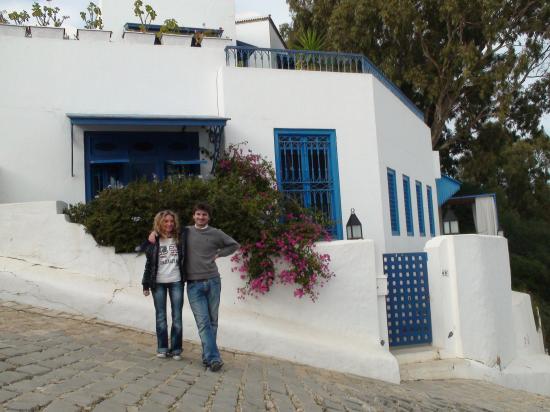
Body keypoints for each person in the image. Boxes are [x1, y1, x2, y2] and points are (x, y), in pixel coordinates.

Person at [149, 203, 239, 371]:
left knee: (213, 322)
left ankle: (208, 357)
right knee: (204, 323)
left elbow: (234, 245)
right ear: (193, 216)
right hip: (193, 285)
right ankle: (213, 358)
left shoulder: (216, 233)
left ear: (208, 217)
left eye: (204, 215)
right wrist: (153, 232)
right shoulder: (185, 232)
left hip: (213, 281)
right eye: (198, 214)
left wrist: (219, 254)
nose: (201, 217)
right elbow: (166, 230)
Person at [142, 210, 185, 360]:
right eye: (165, 221)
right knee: (161, 317)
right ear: (160, 223)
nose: (169, 224)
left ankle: (176, 349)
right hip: (158, 283)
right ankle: (162, 348)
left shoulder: (180, 237)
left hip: (176, 281)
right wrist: (145, 284)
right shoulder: (154, 240)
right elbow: (149, 263)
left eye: (171, 221)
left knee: (177, 317)